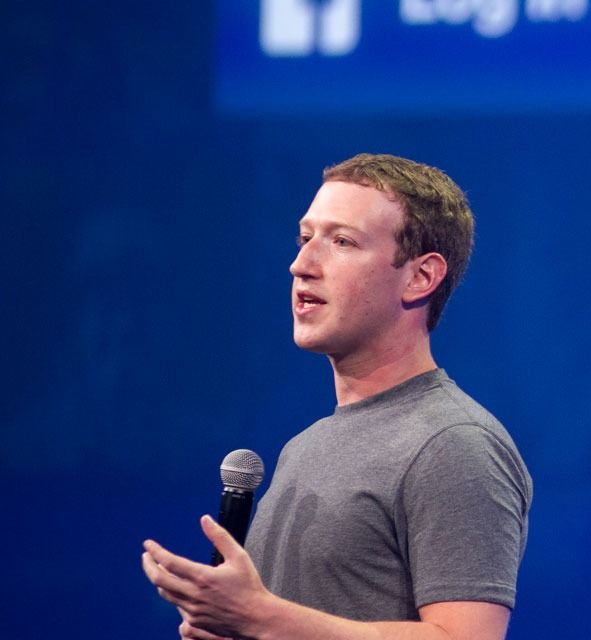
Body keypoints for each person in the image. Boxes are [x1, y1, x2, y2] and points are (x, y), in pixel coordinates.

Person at [141, 153, 533, 640]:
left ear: (420, 277)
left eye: (342, 241)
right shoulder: (303, 447)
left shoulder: (454, 444)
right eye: (305, 238)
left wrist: (262, 618)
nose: (301, 265)